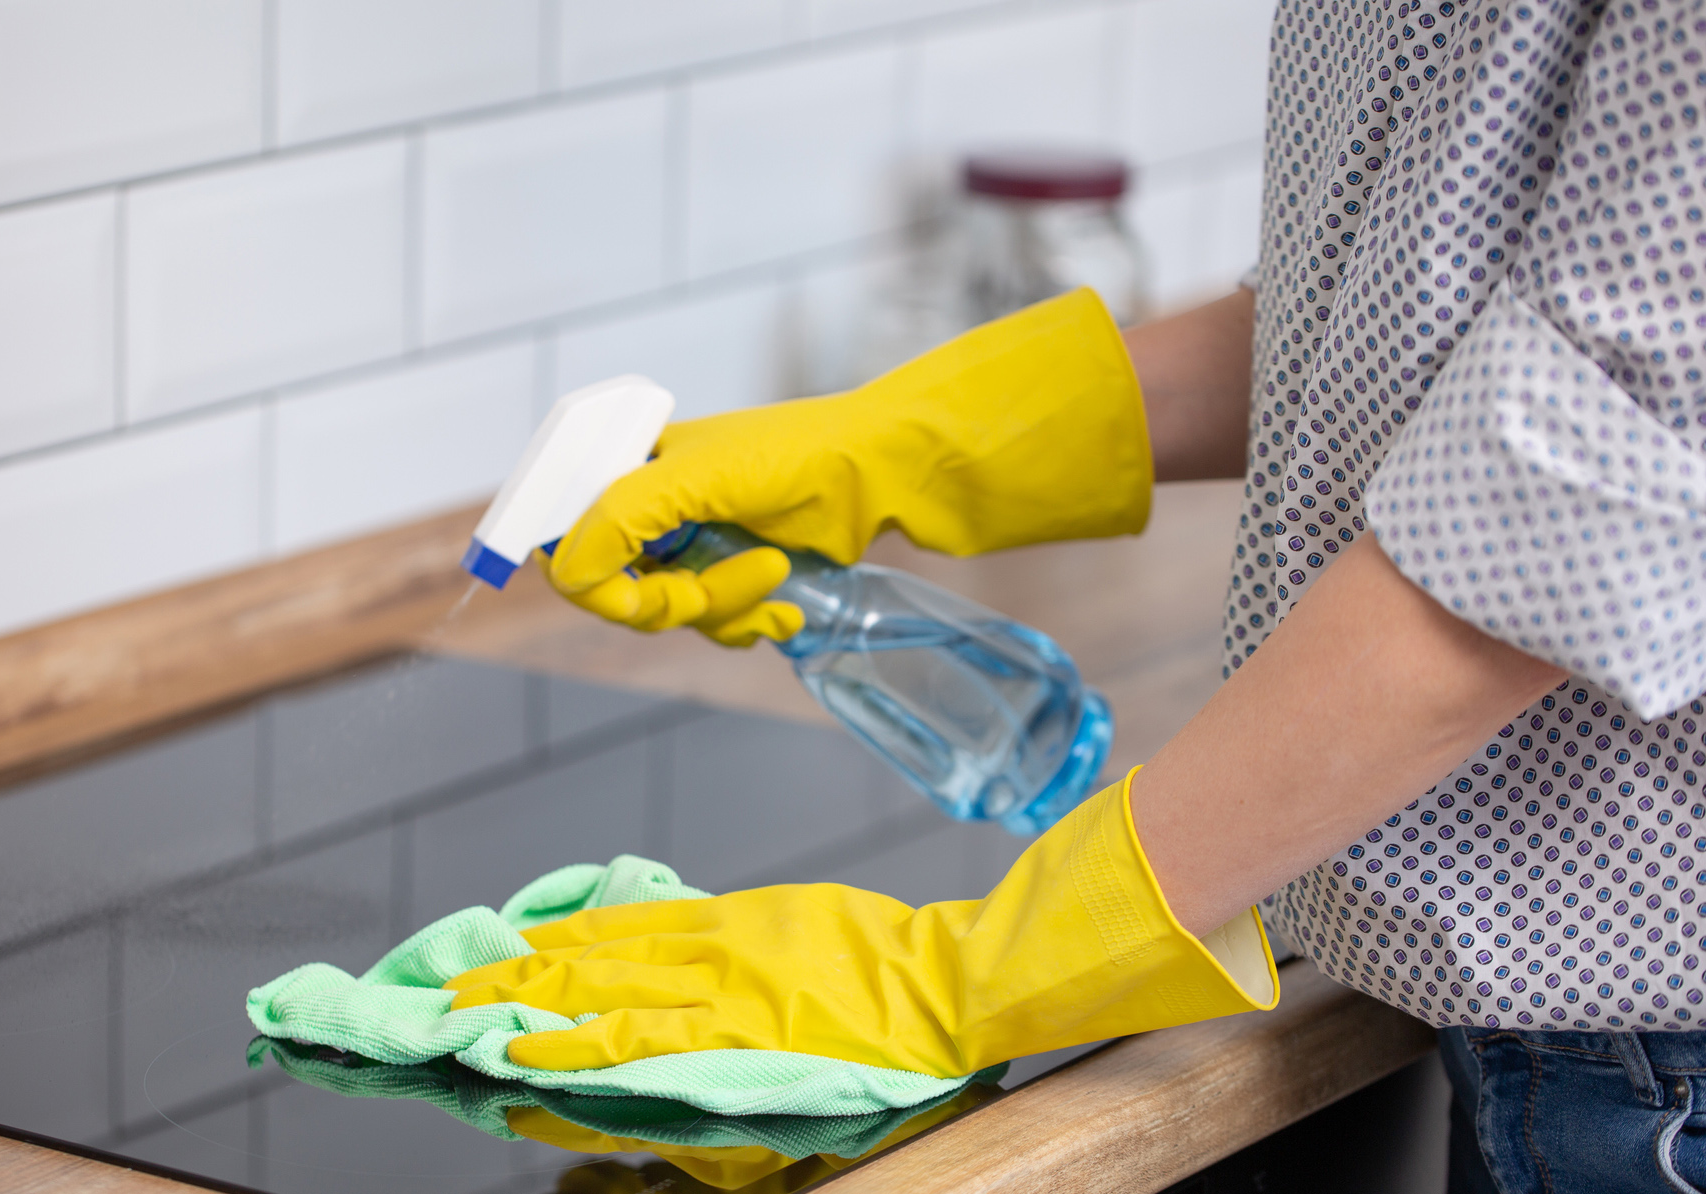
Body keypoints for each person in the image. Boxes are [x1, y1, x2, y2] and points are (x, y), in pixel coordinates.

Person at [443, 3, 1706, 1189]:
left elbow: (1569, 519)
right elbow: (1393, 326)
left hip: (1663, 1075)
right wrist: (888, 442)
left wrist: (978, 972)